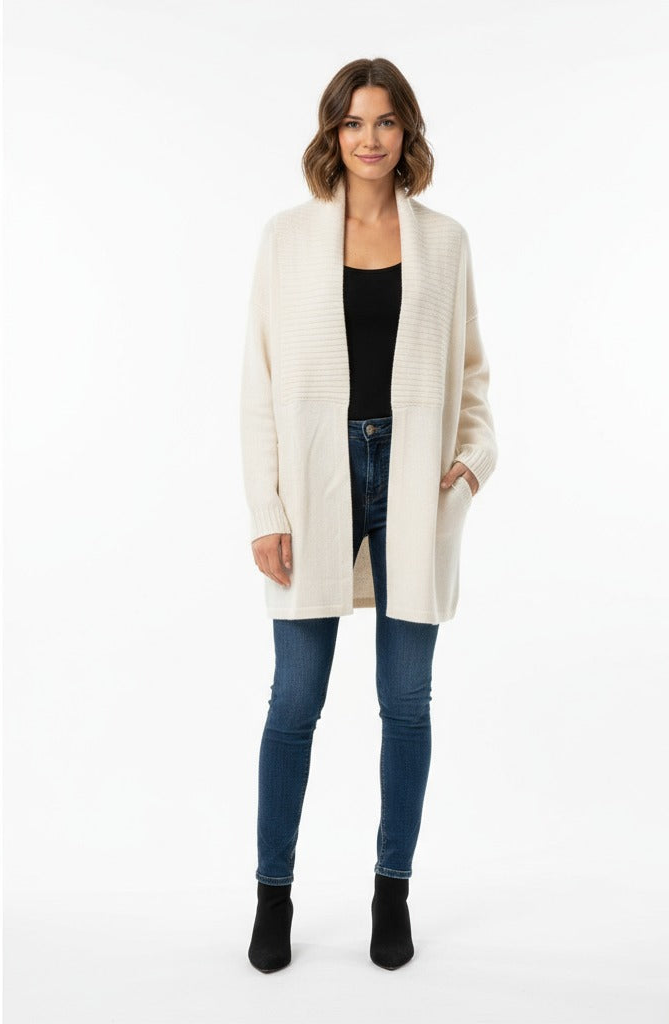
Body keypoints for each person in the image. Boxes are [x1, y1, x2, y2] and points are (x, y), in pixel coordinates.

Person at [240, 57, 498, 972]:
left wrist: (469, 466)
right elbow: (260, 382)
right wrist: (267, 509)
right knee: (295, 699)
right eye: (354, 122)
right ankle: (273, 895)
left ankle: (392, 891)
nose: (370, 138)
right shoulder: (287, 238)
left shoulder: (446, 242)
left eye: (386, 121)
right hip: (319, 476)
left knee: (406, 701)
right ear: (332, 134)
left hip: (414, 478)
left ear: (407, 131)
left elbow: (472, 375)